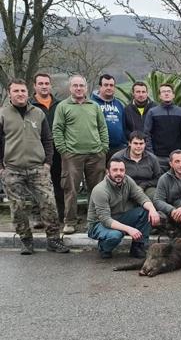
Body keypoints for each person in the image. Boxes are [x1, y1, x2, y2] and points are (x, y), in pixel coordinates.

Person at [0, 79, 69, 254]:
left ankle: (53, 240)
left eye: (22, 91)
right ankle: (26, 241)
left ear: (27, 92)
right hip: (12, 169)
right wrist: (1, 167)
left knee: (49, 203)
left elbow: (47, 139)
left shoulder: (38, 113)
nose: (20, 94)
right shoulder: (3, 114)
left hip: (38, 168)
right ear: (10, 93)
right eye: (16, 91)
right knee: (18, 208)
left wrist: (47, 163)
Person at [53, 75, 108, 235]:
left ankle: (95, 220)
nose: (78, 88)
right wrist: (63, 150)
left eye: (81, 85)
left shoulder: (94, 106)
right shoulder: (63, 106)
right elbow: (57, 129)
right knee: (71, 189)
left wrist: (103, 147)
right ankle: (70, 221)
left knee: (97, 190)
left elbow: (102, 127)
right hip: (72, 155)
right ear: (70, 88)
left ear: (86, 88)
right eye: (75, 85)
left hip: (95, 154)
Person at [86, 158, 160, 259]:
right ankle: (104, 248)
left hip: (119, 217)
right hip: (99, 223)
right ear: (108, 171)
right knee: (116, 234)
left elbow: (141, 197)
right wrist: (129, 229)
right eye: (115, 170)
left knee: (146, 211)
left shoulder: (127, 180)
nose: (119, 173)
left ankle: (138, 247)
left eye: (121, 170)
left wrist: (152, 210)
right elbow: (105, 220)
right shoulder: (100, 190)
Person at [29, 73, 64, 223]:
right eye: (40, 83)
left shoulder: (60, 105)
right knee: (36, 184)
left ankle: (60, 215)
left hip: (57, 150)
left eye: (46, 83)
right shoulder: (29, 105)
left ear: (50, 85)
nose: (44, 86)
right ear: (35, 86)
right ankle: (37, 217)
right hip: (36, 150)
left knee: (59, 183)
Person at [144, 83, 181, 172]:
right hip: (159, 156)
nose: (166, 94)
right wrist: (151, 154)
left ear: (173, 95)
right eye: (163, 92)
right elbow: (147, 134)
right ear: (159, 95)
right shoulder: (152, 112)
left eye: (169, 91)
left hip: (177, 156)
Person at [111, 131, 162, 199]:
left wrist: (144, 185)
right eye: (135, 143)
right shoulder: (118, 157)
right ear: (129, 143)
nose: (138, 146)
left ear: (145, 144)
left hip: (146, 188)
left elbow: (158, 178)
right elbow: (111, 177)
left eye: (141, 143)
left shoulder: (152, 158)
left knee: (155, 196)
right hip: (124, 187)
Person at [91, 74, 126, 158]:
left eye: (111, 85)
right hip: (99, 149)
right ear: (100, 87)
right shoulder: (91, 104)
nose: (109, 88)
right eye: (106, 85)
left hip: (118, 148)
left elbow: (124, 125)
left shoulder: (119, 104)